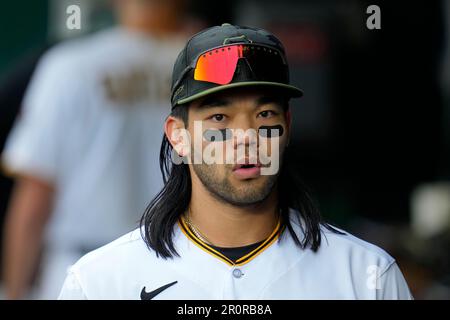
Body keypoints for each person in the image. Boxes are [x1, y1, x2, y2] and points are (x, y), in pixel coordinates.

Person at [58, 23, 413, 299]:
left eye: (264, 113)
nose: (246, 136)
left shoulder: (366, 276)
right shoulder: (99, 282)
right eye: (219, 118)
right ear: (178, 136)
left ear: (287, 128)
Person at [1, 0, 195, 299]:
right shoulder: (208, 68)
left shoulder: (70, 63)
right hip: (182, 268)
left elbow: (35, 196)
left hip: (82, 269)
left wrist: (14, 292)